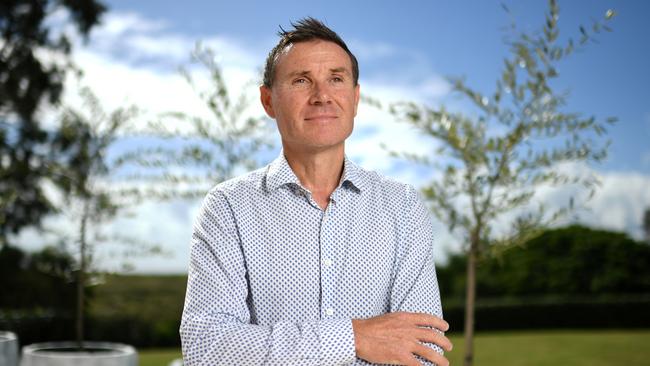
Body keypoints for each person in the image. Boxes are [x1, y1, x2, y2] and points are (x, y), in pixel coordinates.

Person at [180, 17, 453, 366]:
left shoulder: (402, 206)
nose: (322, 96)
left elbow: (422, 352)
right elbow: (207, 348)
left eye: (336, 79)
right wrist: (355, 337)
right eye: (301, 81)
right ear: (268, 101)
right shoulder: (228, 208)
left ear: (355, 99)